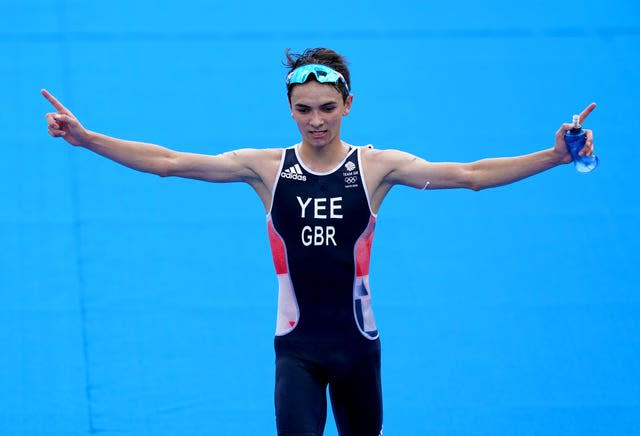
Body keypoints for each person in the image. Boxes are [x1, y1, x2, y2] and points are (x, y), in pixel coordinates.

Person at [43, 47, 596, 436]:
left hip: (358, 349)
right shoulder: (265, 169)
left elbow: (471, 174)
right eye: (304, 109)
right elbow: (168, 163)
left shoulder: (378, 168)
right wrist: (87, 139)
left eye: (327, 108)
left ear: (348, 105)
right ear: (290, 108)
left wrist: (553, 156)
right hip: (298, 352)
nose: (316, 121)